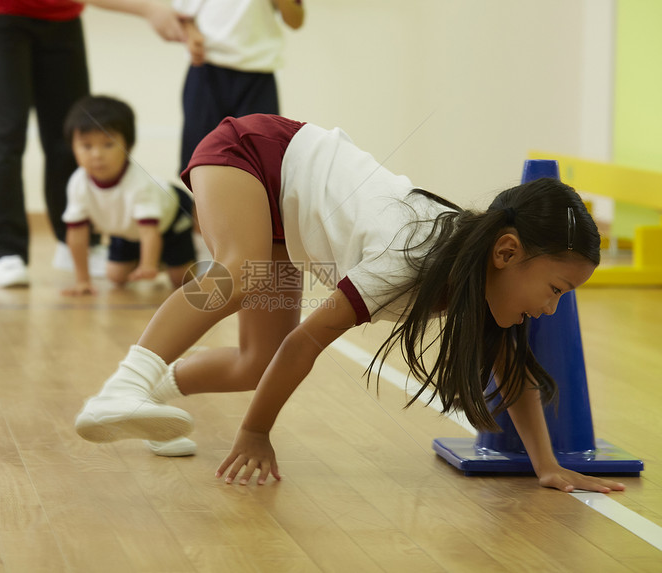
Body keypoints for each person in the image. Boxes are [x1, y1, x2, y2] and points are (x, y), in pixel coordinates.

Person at [73, 113, 626, 494]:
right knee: (238, 272)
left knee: (253, 365)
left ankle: (149, 400)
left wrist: (547, 465)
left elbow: (510, 367)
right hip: (254, 153)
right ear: (507, 252)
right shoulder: (410, 257)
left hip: (284, 226)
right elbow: (305, 342)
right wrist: (255, 432)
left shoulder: (477, 280)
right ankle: (122, 386)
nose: (553, 309)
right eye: (556, 290)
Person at [0, 0, 185, 288]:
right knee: (4, 137)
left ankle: (76, 242)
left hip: (62, 16)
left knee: (73, 135)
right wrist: (148, 9)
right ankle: (3, 249)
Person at [60, 95, 196, 295]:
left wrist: (147, 266)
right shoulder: (77, 183)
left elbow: (150, 232)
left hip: (170, 220)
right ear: (72, 147)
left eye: (108, 144)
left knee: (181, 280)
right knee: (116, 277)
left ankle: (189, 253)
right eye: (86, 146)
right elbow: (76, 234)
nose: (96, 154)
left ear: (128, 146)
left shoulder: (139, 184)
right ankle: (157, 259)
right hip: (127, 231)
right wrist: (82, 280)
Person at [173, 0, 305, 175]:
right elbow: (181, 14)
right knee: (198, 164)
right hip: (208, 69)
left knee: (260, 164)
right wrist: (190, 34)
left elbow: (296, 20)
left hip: (258, 74)